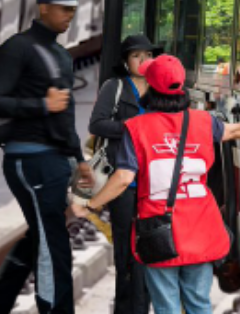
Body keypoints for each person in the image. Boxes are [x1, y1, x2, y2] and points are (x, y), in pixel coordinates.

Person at [72, 55, 240, 314]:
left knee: (166, 306)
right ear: (182, 87)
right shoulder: (203, 121)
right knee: (199, 303)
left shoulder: (136, 128)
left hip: (159, 231)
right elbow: (234, 131)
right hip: (201, 229)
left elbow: (124, 178)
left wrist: (89, 204)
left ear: (150, 87)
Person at [0, 0, 94, 314]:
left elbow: (65, 115)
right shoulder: (18, 49)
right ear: (43, 8)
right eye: (62, 8)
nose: (69, 15)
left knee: (42, 238)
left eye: (73, 8)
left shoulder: (60, 56)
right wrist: (40, 104)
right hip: (30, 159)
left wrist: (79, 160)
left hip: (54, 159)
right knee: (51, 246)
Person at [87, 34, 159, 314]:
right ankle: (125, 307)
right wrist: (132, 128)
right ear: (126, 62)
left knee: (150, 250)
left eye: (147, 55)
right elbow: (98, 124)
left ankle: (142, 305)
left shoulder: (160, 89)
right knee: (125, 251)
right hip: (122, 182)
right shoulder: (114, 87)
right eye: (136, 56)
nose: (143, 61)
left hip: (154, 184)